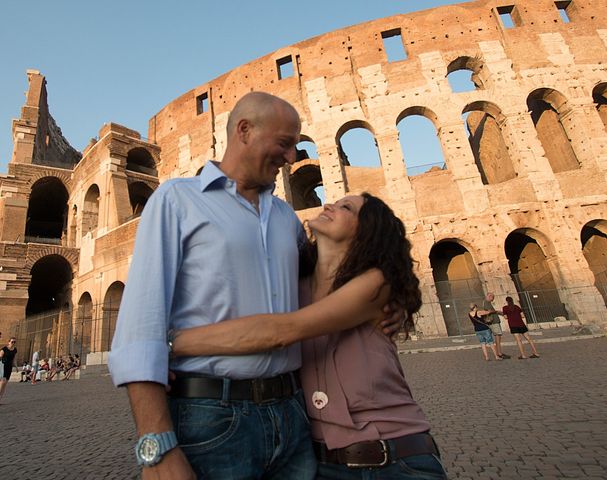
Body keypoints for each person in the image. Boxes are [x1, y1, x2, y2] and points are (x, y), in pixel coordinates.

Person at [108, 92, 403, 480]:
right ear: (244, 131)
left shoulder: (285, 217)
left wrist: (390, 299)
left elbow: (323, 289)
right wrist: (157, 445)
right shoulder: (177, 199)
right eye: (284, 143)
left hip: (294, 415)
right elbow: (140, 323)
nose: (292, 157)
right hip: (210, 414)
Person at [170, 193, 448, 480]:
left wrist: (170, 344)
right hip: (320, 466)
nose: (329, 205)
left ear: (367, 231)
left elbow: (281, 331)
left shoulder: (376, 282)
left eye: (346, 208)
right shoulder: (291, 287)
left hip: (395, 461)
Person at [481, 293, 510, 359]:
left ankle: (499, 352)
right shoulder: (486, 302)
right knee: (498, 338)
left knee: (498, 337)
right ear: (489, 296)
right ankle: (499, 353)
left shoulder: (487, 302)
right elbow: (489, 311)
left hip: (494, 322)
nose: (493, 299)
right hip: (494, 322)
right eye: (493, 297)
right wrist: (497, 311)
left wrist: (498, 312)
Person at [0, 337, 18, 402]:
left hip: (9, 367)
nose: (13, 343)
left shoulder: (15, 350)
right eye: (12, 342)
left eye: (14, 342)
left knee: (5, 384)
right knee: (2, 382)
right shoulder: (4, 349)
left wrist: (16, 367)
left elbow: (14, 359)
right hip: (3, 366)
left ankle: (0, 398)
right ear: (9, 342)